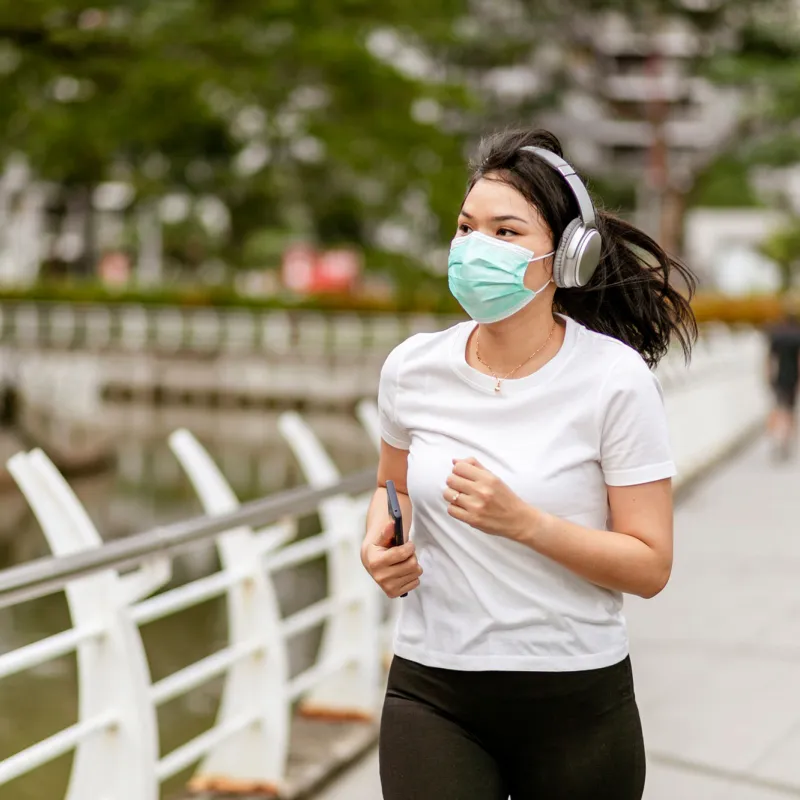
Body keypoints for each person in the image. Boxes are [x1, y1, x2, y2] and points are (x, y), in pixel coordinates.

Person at [360, 128, 696, 800]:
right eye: (465, 227)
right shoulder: (413, 369)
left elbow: (650, 564)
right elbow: (390, 484)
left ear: (567, 256)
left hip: (575, 701)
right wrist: (378, 544)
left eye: (505, 231)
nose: (475, 247)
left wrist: (524, 523)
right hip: (433, 688)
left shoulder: (614, 380)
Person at [766, 310, 800, 460]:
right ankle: (785, 440)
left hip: (778, 378)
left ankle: (777, 437)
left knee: (779, 408)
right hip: (793, 378)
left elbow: (769, 360)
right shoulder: (797, 337)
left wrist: (769, 377)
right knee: (790, 411)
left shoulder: (776, 337)